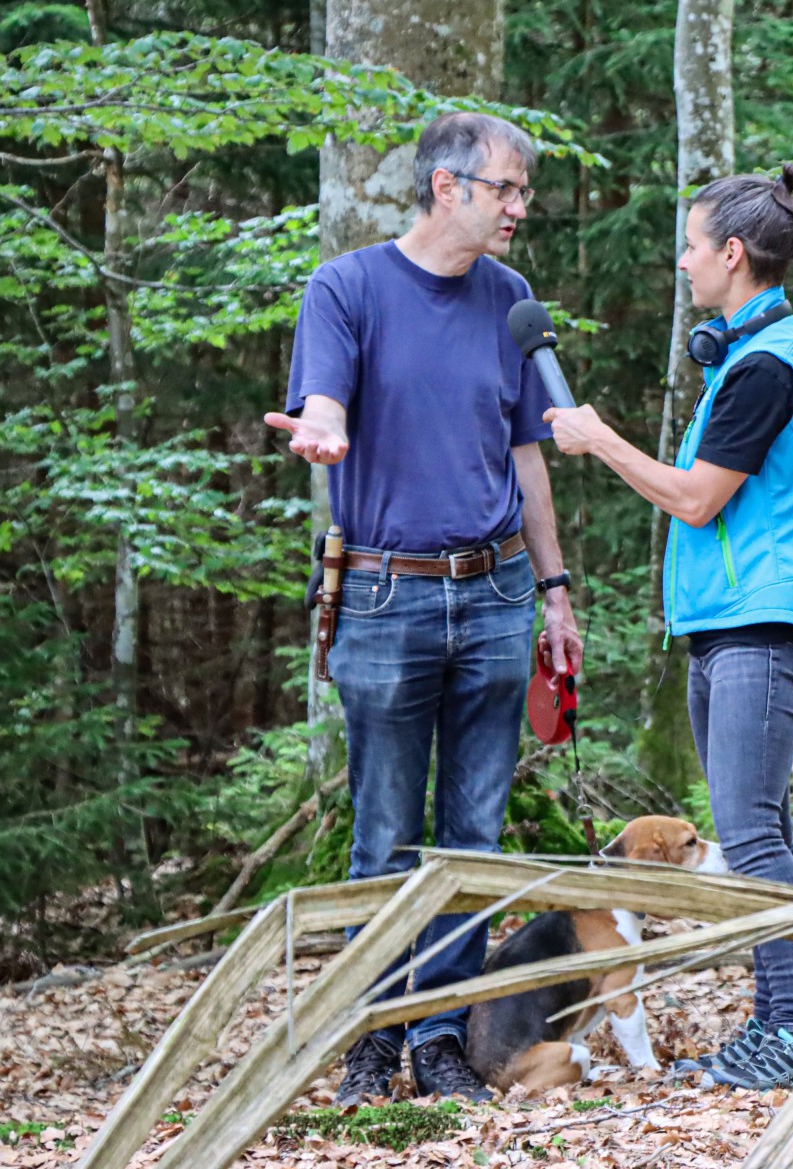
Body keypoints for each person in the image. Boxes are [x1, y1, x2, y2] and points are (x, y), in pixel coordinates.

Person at [264, 112, 584, 1106]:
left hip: (492, 597)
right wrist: (320, 433)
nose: (520, 208)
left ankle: (444, 1038)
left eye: (523, 191)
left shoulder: (512, 299)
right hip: (383, 592)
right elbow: (323, 401)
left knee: (472, 839)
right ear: (448, 187)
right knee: (383, 837)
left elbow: (527, 455)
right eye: (507, 190)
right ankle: (374, 1032)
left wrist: (555, 590)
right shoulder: (347, 287)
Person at [543, 162, 793, 1092]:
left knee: (752, 835)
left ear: (731, 252)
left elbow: (696, 500)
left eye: (690, 245)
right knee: (759, 825)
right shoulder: (744, 354)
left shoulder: (764, 367)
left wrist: (598, 439)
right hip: (730, 621)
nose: (680, 264)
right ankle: (779, 1026)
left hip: (767, 617)